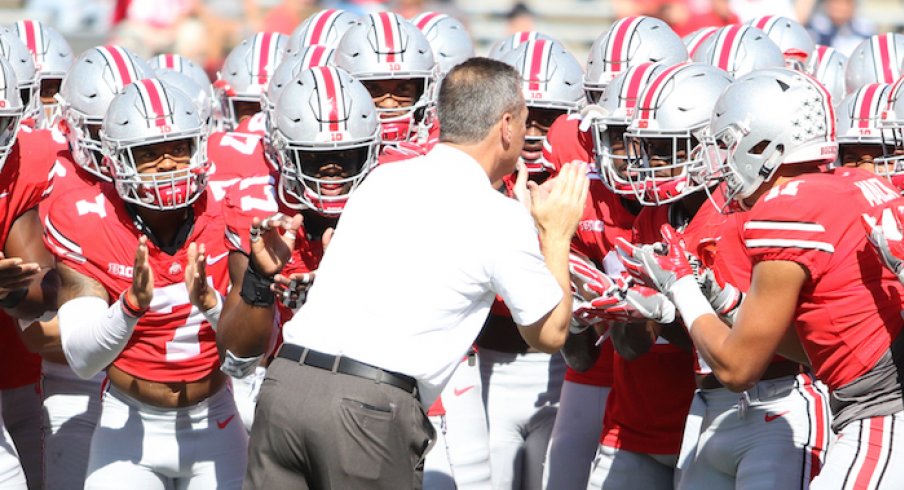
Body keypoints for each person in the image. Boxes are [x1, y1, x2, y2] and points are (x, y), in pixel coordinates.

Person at [237, 57, 589, 489]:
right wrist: (556, 236)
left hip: (286, 385)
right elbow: (550, 333)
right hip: (367, 408)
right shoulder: (497, 215)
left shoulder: (383, 179)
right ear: (507, 125)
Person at [621, 67, 904, 488]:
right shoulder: (856, 182)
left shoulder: (789, 209)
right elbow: (819, 346)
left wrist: (682, 288)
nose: (719, 158)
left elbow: (738, 371)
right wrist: (725, 302)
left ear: (764, 145)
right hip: (870, 403)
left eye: (726, 144)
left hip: (882, 416)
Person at [44, 78, 246, 489]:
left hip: (218, 416)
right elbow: (83, 359)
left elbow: (250, 350)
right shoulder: (87, 218)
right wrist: (129, 307)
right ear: (118, 159)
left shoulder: (230, 209)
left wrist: (210, 302)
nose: (168, 164)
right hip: (129, 424)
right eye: (149, 153)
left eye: (178, 148)